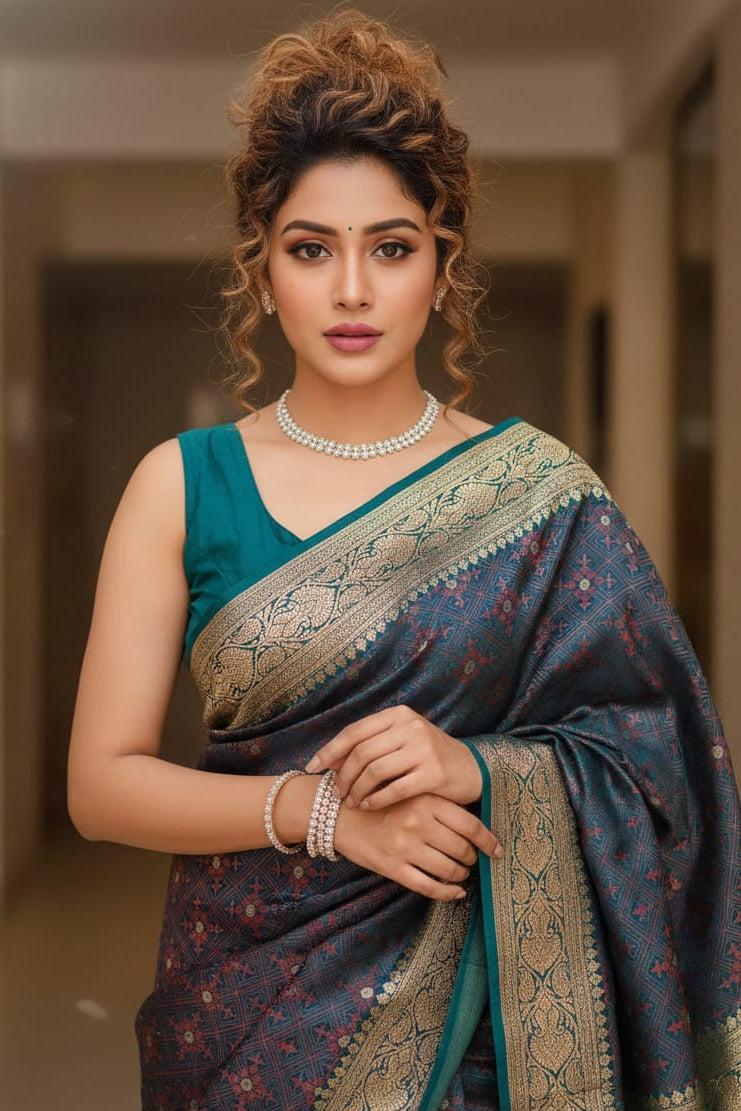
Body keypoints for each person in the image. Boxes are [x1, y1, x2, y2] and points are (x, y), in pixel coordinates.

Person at [67, 9, 741, 1110]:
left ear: (441, 264)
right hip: (247, 1019)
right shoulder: (180, 485)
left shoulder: (542, 497)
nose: (350, 290)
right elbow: (101, 785)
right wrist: (329, 815)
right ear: (262, 266)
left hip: (483, 1034)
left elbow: (665, 763)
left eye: (390, 246)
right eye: (309, 249)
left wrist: (480, 769)